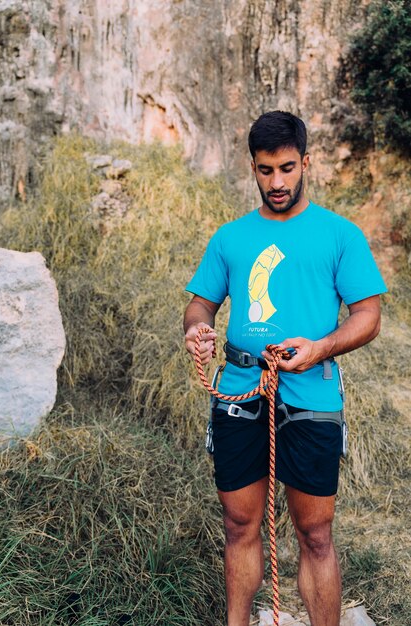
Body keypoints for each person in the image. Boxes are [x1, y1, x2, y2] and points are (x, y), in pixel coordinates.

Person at [183, 111, 387, 626]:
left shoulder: (340, 235)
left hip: (312, 394)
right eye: (266, 170)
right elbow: (200, 304)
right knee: (238, 523)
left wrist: (320, 349)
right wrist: (197, 328)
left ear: (306, 163)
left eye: (288, 168)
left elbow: (368, 316)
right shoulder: (230, 238)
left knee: (315, 533)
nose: (277, 182)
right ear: (252, 167)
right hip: (238, 391)